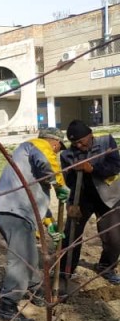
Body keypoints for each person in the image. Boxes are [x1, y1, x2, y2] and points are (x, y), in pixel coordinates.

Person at [0, 127, 69, 321]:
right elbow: (47, 163)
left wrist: (50, 224)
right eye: (58, 148)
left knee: (30, 257)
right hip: (14, 213)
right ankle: (8, 306)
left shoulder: (29, 164)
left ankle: (37, 292)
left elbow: (37, 200)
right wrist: (60, 184)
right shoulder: (36, 145)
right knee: (21, 260)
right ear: (54, 143)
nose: (56, 152)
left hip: (14, 213)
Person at [60, 119, 120, 285]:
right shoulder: (67, 155)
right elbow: (69, 182)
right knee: (71, 234)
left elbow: (115, 167)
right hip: (82, 198)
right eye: (75, 143)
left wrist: (92, 169)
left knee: (114, 237)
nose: (79, 146)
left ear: (90, 135)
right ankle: (65, 270)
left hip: (108, 197)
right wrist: (72, 201)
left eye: (81, 141)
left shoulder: (106, 141)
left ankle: (106, 267)